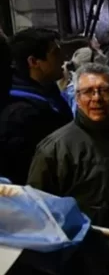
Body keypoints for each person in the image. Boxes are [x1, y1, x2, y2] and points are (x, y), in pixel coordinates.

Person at [26, 63, 109, 226]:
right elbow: (37, 207)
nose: (97, 98)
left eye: (104, 90)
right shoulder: (55, 148)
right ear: (77, 98)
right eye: (88, 91)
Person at [0, 28, 72, 184]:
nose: (63, 58)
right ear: (33, 62)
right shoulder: (21, 114)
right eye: (55, 53)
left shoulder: (49, 95)